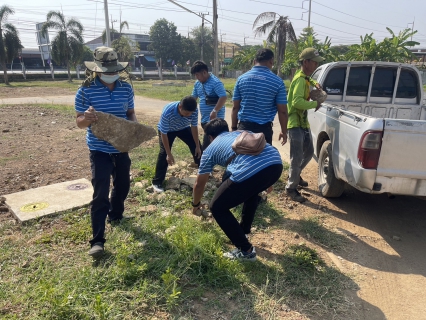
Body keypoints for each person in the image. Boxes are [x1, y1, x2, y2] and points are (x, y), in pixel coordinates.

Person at [75, 46, 137, 258]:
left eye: (114, 71)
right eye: (107, 71)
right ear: (97, 70)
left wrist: (133, 129)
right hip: (99, 149)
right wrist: (87, 119)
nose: (112, 75)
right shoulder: (85, 90)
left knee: (123, 185)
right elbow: (79, 122)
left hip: (120, 148)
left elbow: (130, 113)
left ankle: (116, 215)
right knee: (100, 192)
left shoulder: (126, 89)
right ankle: (98, 240)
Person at [192, 119, 283, 261]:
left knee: (217, 207)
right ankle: (243, 232)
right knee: (251, 191)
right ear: (227, 130)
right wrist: (267, 181)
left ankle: (246, 251)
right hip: (275, 163)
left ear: (210, 137)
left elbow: (199, 183)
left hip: (252, 170)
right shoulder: (241, 132)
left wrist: (195, 204)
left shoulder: (209, 150)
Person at [285, 48, 324, 203]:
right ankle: (291, 188)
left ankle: (295, 175)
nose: (316, 65)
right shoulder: (300, 80)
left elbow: (309, 80)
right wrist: (316, 103)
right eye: (314, 62)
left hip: (302, 122)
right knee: (297, 157)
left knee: (309, 152)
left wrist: (316, 83)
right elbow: (296, 102)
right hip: (295, 124)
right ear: (306, 62)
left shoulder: (304, 77)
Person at [231, 48, 288, 146]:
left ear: (254, 61)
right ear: (271, 61)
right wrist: (283, 131)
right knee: (263, 159)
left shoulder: (241, 79)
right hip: (264, 131)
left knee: (243, 159)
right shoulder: (277, 82)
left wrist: (234, 128)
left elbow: (236, 107)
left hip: (243, 129)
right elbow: (282, 111)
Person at [151, 96, 202, 192]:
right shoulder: (168, 112)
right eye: (187, 113)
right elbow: (164, 133)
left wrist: (198, 146)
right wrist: (169, 154)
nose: (189, 115)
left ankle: (203, 170)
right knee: (164, 154)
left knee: (196, 147)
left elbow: (194, 127)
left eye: (191, 113)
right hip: (168, 131)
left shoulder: (193, 110)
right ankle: (157, 182)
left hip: (183, 128)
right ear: (180, 107)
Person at [191, 60, 227, 150]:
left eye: (197, 75)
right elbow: (193, 98)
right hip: (205, 119)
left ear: (204, 72)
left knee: (207, 146)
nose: (196, 77)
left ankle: (206, 161)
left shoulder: (215, 82)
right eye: (195, 75)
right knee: (213, 144)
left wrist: (215, 111)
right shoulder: (197, 84)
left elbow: (223, 97)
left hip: (215, 120)